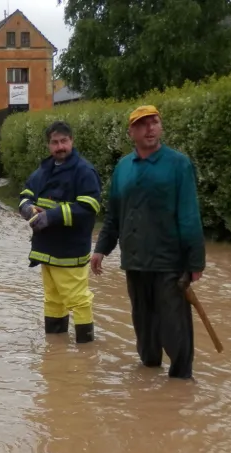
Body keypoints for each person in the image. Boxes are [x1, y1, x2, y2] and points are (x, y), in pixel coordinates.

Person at [91, 105, 206, 379]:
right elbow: (114, 215)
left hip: (170, 263)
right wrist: (101, 249)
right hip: (135, 261)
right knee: (143, 324)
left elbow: (189, 214)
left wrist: (195, 261)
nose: (150, 128)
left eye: (155, 122)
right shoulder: (123, 168)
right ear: (132, 132)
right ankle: (149, 372)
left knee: (174, 327)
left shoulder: (178, 164)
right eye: (143, 124)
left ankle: (180, 380)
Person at [18, 121, 103, 344]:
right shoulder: (44, 169)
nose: (60, 146)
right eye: (55, 142)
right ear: (49, 145)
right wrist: (27, 208)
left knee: (78, 300)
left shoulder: (83, 171)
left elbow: (89, 206)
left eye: (64, 141)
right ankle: (55, 348)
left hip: (69, 251)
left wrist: (51, 216)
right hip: (47, 251)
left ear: (71, 141)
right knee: (53, 300)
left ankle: (86, 351)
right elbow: (25, 194)